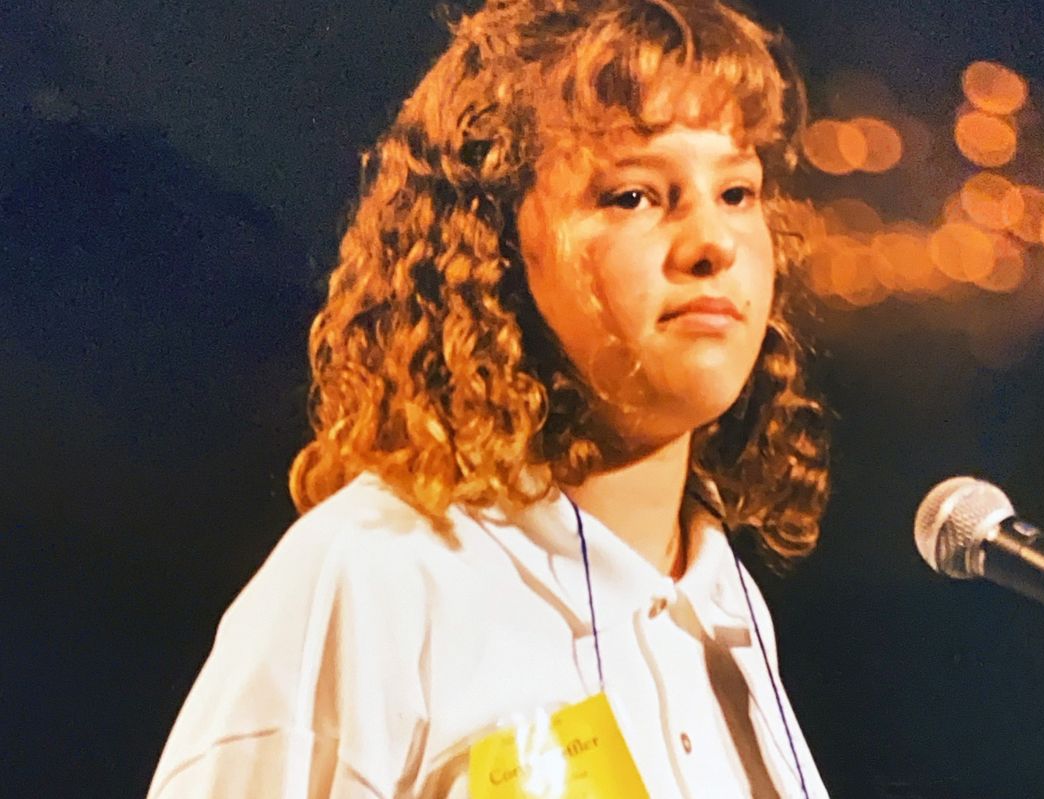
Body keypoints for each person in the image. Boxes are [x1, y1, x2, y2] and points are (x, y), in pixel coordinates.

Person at [148, 0, 831, 796]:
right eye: (635, 195)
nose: (712, 242)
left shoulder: (723, 610)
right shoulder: (376, 576)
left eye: (738, 192)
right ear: (495, 242)